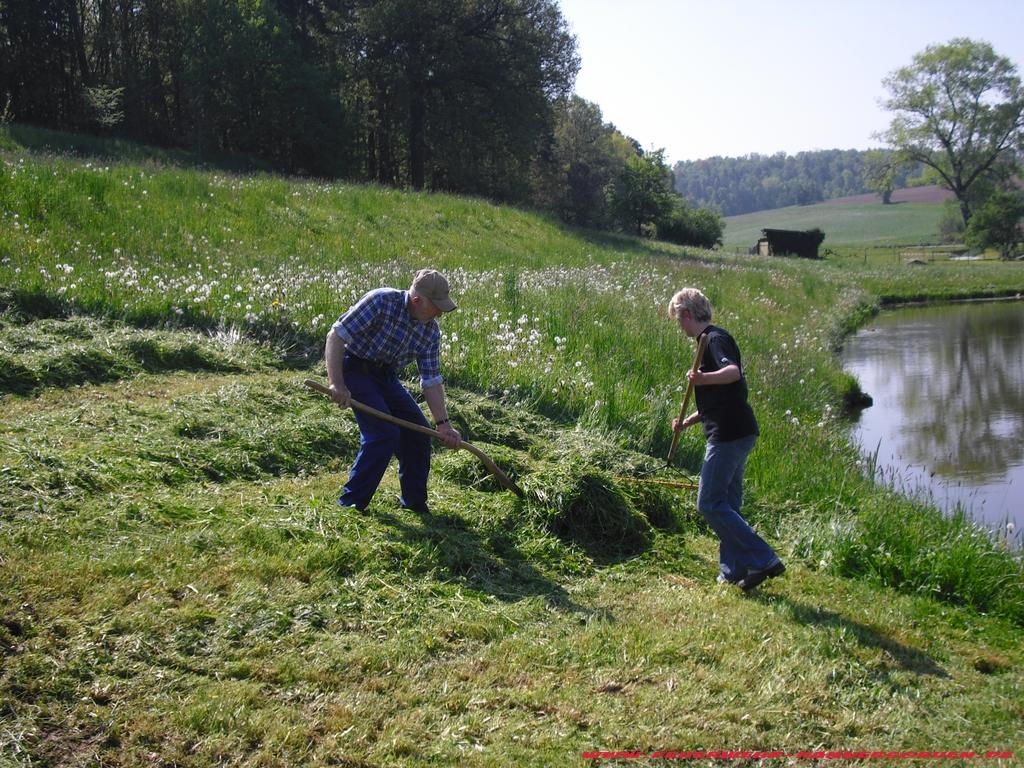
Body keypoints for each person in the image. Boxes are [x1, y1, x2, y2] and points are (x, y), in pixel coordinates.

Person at [669, 287, 784, 591]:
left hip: (728, 435)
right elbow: (719, 400)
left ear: (688, 315)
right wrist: (688, 422)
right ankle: (734, 570)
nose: (679, 327)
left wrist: (702, 378)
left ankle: (764, 558)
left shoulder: (714, 339)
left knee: (708, 503)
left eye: (679, 320)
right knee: (727, 505)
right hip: (737, 429)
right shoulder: (706, 341)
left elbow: (732, 373)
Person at [325, 268, 461, 514]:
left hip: (385, 377)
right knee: (384, 433)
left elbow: (431, 379)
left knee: (418, 435)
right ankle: (351, 504)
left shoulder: (430, 331)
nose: (440, 313)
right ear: (417, 301)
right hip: (355, 367)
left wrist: (443, 424)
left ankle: (414, 503)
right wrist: (337, 383)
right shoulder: (381, 301)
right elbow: (336, 336)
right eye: (437, 307)